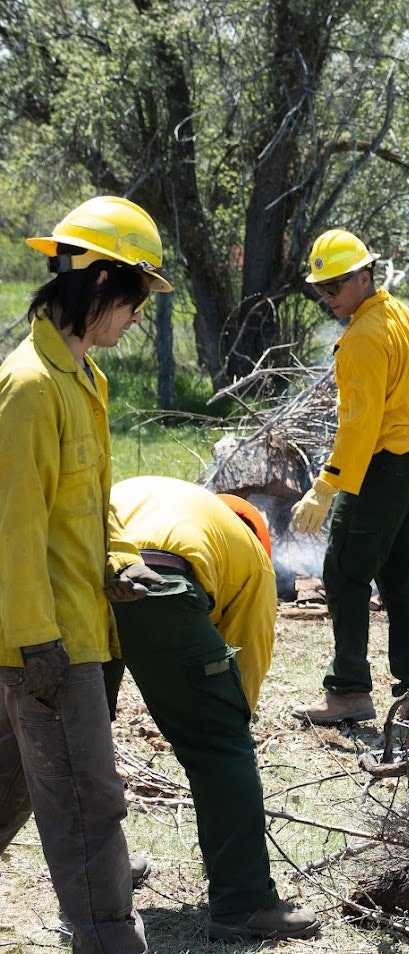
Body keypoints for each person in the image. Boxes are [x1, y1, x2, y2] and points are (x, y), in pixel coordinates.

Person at [0, 195, 173, 953]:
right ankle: (108, 939)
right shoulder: (30, 387)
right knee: (87, 802)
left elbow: (89, 504)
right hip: (45, 641)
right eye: (135, 300)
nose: (137, 317)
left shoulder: (83, 378)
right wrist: (34, 641)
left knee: (29, 788)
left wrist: (120, 562)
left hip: (75, 620)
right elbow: (14, 528)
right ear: (101, 282)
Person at [103, 477, 321, 941]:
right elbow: (248, 656)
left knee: (80, 738)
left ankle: (102, 875)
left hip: (75, 574)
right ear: (259, 537)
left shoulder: (162, 494)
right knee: (220, 746)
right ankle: (244, 903)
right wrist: (228, 718)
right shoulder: (250, 556)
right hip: (157, 583)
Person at [290, 228, 409, 726]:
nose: (327, 297)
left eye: (334, 286)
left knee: (344, 572)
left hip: (381, 464)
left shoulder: (363, 337)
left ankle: (349, 691)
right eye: (321, 289)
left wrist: (325, 487)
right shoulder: (403, 317)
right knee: (398, 572)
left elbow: (359, 425)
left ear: (365, 275)